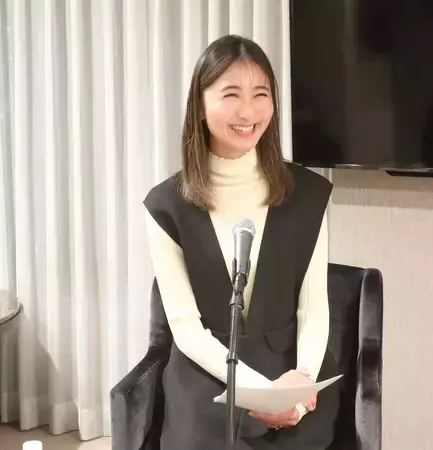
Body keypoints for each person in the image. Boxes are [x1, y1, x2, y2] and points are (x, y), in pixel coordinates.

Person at [144, 35, 340, 450]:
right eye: (231, 94)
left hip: (290, 372)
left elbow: (314, 308)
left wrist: (298, 389)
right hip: (207, 378)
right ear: (200, 105)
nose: (248, 111)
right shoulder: (165, 206)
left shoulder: (308, 194)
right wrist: (261, 392)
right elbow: (186, 329)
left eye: (260, 95)